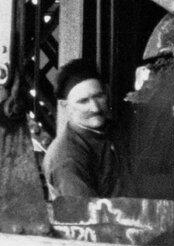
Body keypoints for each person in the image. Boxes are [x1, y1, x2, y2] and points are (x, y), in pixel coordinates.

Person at [43, 58, 118, 203]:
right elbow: (87, 218)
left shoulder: (113, 131)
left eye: (99, 96)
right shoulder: (66, 159)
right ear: (65, 106)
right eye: (83, 101)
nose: (95, 108)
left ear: (107, 92)